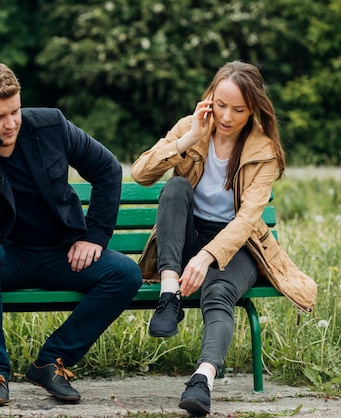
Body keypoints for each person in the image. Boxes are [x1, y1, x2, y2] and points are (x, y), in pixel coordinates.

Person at [0, 61, 142, 406]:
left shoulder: (52, 125)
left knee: (125, 273)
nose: (10, 124)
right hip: (3, 259)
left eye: (15, 111)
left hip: (59, 252)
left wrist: (94, 236)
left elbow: (108, 169)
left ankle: (52, 361)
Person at [131, 61, 317, 416]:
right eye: (220, 105)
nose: (227, 116)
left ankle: (203, 379)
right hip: (189, 235)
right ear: (209, 99)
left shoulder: (263, 150)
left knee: (218, 292)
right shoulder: (191, 126)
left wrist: (206, 257)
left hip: (239, 246)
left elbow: (247, 219)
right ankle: (168, 295)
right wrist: (188, 139)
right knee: (174, 187)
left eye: (239, 109)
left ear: (253, 109)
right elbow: (141, 174)